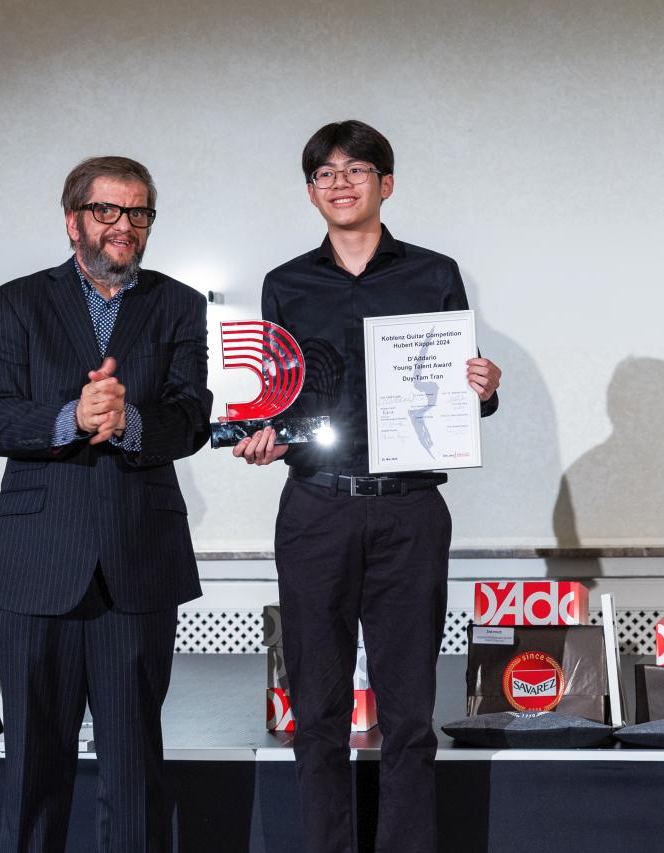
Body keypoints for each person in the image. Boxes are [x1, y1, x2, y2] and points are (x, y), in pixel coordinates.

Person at [234, 120, 501, 853]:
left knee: (410, 715)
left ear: (386, 183)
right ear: (310, 191)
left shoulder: (434, 273)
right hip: (316, 507)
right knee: (316, 713)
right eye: (325, 172)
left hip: (409, 511)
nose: (340, 183)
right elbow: (278, 394)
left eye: (356, 169)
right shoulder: (286, 283)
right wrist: (262, 433)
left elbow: (460, 390)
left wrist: (483, 386)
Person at [0, 156, 212, 852]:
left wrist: (128, 421)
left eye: (138, 213)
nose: (123, 225)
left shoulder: (179, 304)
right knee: (32, 771)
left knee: (134, 773)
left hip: (139, 561)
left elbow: (191, 418)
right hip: (36, 562)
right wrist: (70, 416)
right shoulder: (20, 301)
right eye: (107, 210)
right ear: (74, 220)